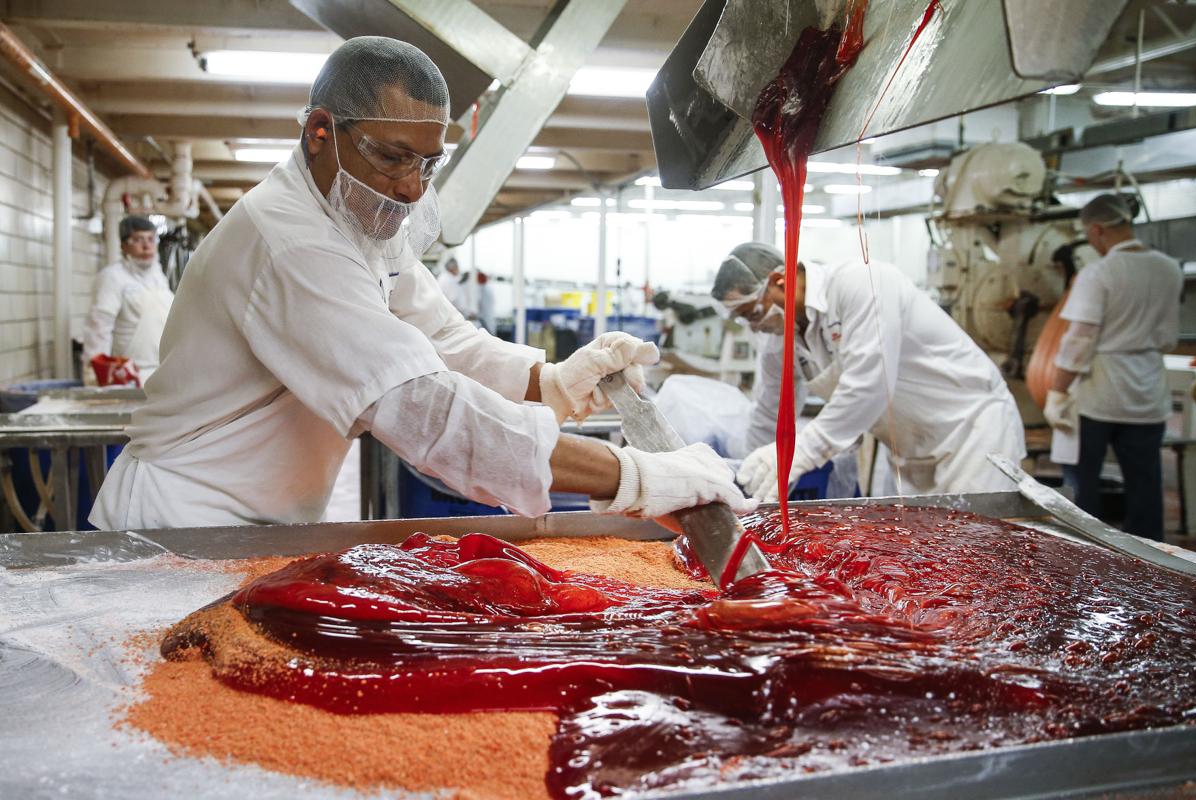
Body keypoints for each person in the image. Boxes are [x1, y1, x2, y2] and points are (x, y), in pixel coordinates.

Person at [89, 37, 752, 531]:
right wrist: (634, 474)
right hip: (180, 525)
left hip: (255, 520)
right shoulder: (291, 243)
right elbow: (424, 411)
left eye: (428, 163)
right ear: (321, 132)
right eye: (392, 156)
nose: (410, 187)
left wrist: (549, 380)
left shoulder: (362, 213)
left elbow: (442, 339)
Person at [714, 245, 1025, 501]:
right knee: (916, 557)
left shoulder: (861, 284)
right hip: (908, 449)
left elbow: (867, 386)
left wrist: (802, 454)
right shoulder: (777, 336)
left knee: (973, 551)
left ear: (779, 280)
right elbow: (770, 411)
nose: (756, 325)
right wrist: (750, 478)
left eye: (754, 312)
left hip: (971, 432)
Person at [1044, 194, 1182, 540]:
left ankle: (1090, 554)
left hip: (1100, 392)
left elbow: (1079, 341)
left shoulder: (1098, 273)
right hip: (1148, 389)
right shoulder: (1168, 267)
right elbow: (1168, 337)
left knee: (1082, 484)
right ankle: (1150, 564)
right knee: (1145, 485)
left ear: (1097, 229)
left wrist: (1057, 393)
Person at [81, 215, 174, 381]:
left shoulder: (159, 277)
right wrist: (94, 370)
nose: (146, 246)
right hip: (130, 374)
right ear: (124, 245)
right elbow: (99, 326)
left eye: (151, 239)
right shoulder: (113, 277)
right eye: (138, 240)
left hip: (163, 369)